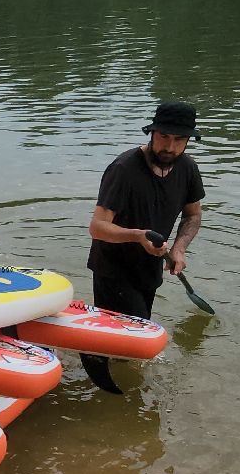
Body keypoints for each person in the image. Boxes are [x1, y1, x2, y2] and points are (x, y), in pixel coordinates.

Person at [87, 101, 204, 319]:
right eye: (164, 137)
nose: (170, 147)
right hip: (114, 270)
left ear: (189, 140)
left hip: (150, 268)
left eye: (179, 140)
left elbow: (193, 214)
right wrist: (138, 236)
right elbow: (97, 227)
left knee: (132, 333)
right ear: (152, 133)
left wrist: (179, 248)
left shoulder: (188, 169)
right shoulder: (123, 169)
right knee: (133, 334)